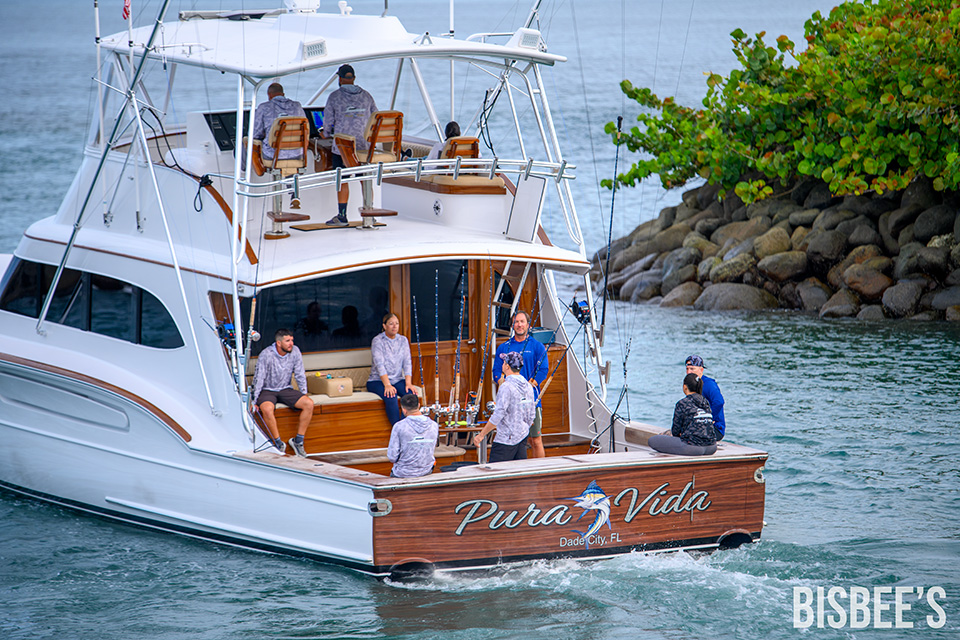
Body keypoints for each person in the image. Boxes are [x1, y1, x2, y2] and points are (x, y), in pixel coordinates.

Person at [321, 64, 378, 226]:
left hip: (343, 147)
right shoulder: (367, 96)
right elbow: (376, 117)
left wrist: (325, 133)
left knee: (342, 180)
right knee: (364, 179)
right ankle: (369, 213)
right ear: (353, 78)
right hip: (364, 147)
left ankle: (342, 216)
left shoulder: (334, 97)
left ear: (339, 79)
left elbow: (328, 124)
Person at [251, 328, 315, 456]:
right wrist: (253, 401)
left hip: (286, 389)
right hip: (267, 390)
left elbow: (300, 374)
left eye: (292, 340)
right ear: (279, 343)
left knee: (309, 404)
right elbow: (259, 378)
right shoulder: (266, 354)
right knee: (267, 409)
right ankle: (278, 443)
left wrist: (304, 393)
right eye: (287, 341)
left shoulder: (295, 351)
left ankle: (298, 441)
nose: (291, 343)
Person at [493, 311, 548, 457]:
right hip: (510, 403)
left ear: (528, 325)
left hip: (531, 401)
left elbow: (543, 370)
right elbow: (496, 371)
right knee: (513, 440)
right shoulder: (503, 347)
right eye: (516, 322)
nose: (519, 325)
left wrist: (529, 387)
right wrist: (503, 383)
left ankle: (540, 470)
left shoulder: (538, 346)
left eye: (522, 321)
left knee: (535, 440)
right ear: (512, 325)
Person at [473, 352, 536, 463]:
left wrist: (481, 435)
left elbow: (498, 415)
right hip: (523, 436)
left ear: (507, 366)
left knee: (496, 472)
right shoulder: (529, 386)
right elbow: (531, 414)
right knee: (518, 472)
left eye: (504, 362)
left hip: (505, 441)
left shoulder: (506, 387)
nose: (502, 364)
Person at [648, 373, 717, 456]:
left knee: (653, 440)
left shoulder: (682, 403)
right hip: (711, 447)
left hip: (692, 447)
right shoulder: (705, 402)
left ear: (685, 387)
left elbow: (675, 431)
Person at [367, 312, 415, 425]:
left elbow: (407, 362)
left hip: (397, 379)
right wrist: (387, 385)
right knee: (391, 396)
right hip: (377, 381)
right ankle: (396, 428)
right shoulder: (378, 340)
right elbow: (379, 364)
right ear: (384, 326)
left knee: (411, 396)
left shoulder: (403, 340)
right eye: (391, 324)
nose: (394, 326)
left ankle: (403, 427)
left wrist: (408, 383)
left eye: (397, 323)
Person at [387, 393, 440, 478]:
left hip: (402, 473)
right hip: (427, 471)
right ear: (419, 405)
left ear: (404, 410)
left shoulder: (399, 426)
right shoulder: (434, 425)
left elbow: (392, 457)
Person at [252, 83, 307, 163]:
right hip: (297, 154)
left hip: (272, 155)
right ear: (283, 94)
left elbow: (256, 134)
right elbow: (306, 130)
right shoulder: (297, 106)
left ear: (269, 95)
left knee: (246, 141)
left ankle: (243, 169)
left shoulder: (264, 107)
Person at [685, 354, 725, 440]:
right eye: (687, 369)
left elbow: (719, 402)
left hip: (714, 428)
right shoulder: (690, 384)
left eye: (692, 369)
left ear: (701, 370)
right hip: (696, 425)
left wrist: (709, 418)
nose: (688, 372)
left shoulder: (709, 384)